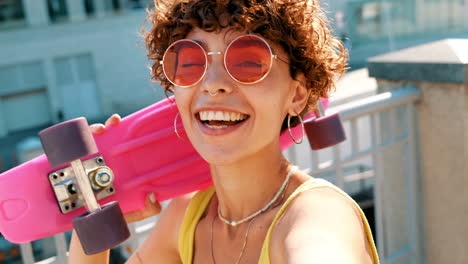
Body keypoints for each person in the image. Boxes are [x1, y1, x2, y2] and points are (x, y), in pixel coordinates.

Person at [69, 0, 379, 263]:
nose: (212, 83)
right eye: (189, 62)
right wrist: (97, 216)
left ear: (296, 95)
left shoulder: (318, 215)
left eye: (248, 61)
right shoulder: (188, 214)